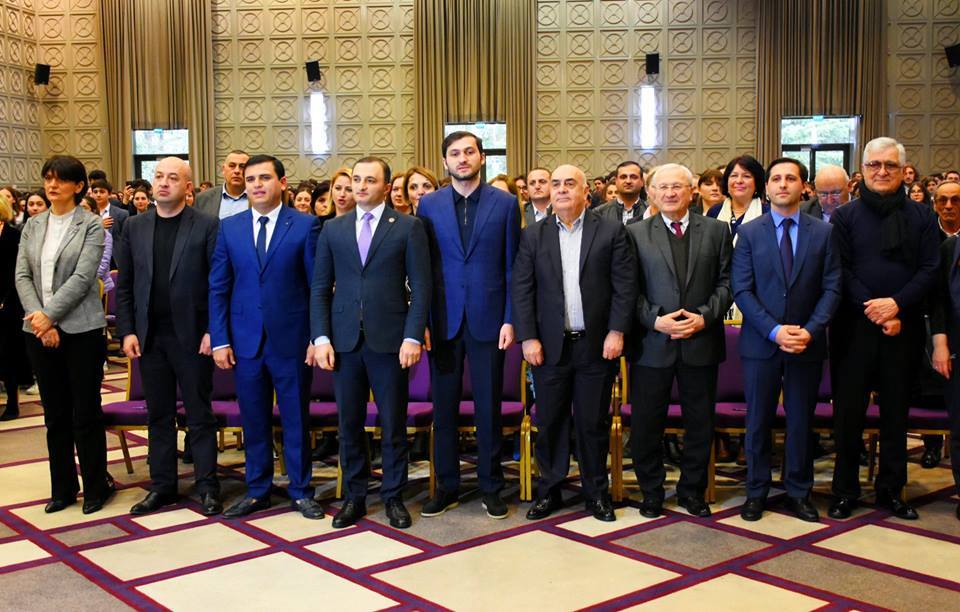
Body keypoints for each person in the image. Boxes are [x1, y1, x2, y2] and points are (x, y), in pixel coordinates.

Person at [310, 157, 431, 529]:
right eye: (356, 180)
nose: (360, 187)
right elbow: (319, 288)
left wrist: (412, 334)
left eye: (369, 180)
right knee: (349, 424)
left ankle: (394, 496)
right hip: (344, 341)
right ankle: (355, 496)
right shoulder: (333, 229)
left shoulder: (408, 227)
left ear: (386, 186)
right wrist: (321, 336)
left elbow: (421, 286)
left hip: (391, 340)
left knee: (393, 424)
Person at [512, 164, 636, 521]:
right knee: (550, 422)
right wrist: (528, 337)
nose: (562, 189)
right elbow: (522, 289)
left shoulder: (610, 231)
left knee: (592, 423)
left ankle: (596, 493)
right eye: (556, 184)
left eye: (570, 183)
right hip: (549, 346)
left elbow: (624, 286)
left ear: (586, 192)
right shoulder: (533, 236)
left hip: (596, 344)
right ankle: (549, 491)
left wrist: (617, 331)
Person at [829, 137, 940, 521]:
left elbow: (929, 269)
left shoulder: (922, 216)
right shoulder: (845, 216)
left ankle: (891, 491)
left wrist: (896, 305)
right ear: (863, 170)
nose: (881, 171)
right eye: (874, 165)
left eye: (890, 165)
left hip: (903, 329)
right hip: (853, 331)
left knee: (896, 415)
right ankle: (844, 491)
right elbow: (841, 270)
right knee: (848, 416)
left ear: (903, 171)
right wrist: (876, 309)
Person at [208, 154, 323, 519]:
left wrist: (316, 336)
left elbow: (316, 287)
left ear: (282, 183)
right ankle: (257, 489)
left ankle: (301, 490)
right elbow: (219, 287)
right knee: (253, 419)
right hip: (245, 341)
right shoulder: (230, 227)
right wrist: (220, 338)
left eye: (264, 178)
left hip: (292, 339)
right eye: (251, 179)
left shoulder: (305, 225)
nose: (256, 184)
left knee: (295, 418)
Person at [416, 131, 521, 519]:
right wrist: (423, 322)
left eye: (469, 152)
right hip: (443, 320)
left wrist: (510, 317)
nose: (462, 159)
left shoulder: (505, 204)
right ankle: (446, 486)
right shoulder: (429, 205)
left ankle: (491, 486)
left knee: (488, 409)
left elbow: (512, 267)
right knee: (443, 410)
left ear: (482, 157)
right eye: (455, 153)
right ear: (445, 161)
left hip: (489, 321)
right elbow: (423, 268)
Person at [732, 158, 841, 522]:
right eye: (776, 179)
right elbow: (742, 289)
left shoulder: (823, 233)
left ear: (803, 187)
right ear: (766, 188)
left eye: (790, 178)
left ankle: (798, 491)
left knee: (800, 422)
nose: (782, 184)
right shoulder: (750, 233)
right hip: (761, 343)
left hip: (807, 343)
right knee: (758, 421)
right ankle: (756, 491)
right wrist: (775, 331)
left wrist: (810, 329)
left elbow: (832, 287)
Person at [115, 157, 222, 516]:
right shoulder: (135, 225)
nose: (163, 183)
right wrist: (127, 330)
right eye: (159, 176)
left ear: (188, 187)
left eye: (172, 178)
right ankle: (162, 486)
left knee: (199, 415)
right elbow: (126, 284)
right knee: (158, 415)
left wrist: (213, 330)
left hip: (192, 336)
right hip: (150, 337)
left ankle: (208, 486)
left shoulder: (206, 225)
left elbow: (218, 284)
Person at [626, 163, 733, 518]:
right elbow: (628, 288)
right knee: (646, 425)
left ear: (692, 191)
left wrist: (705, 316)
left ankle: (692, 491)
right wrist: (655, 320)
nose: (670, 193)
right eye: (663, 187)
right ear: (651, 193)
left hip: (701, 341)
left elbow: (727, 281)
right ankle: (651, 492)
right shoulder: (635, 233)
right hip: (651, 343)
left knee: (700, 424)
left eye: (677, 186)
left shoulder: (716, 231)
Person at [15, 155, 113, 514]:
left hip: (81, 330)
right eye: (48, 179)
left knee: (85, 412)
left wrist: (50, 316)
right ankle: (63, 488)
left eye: (60, 179)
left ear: (78, 186)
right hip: (38, 330)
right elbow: (22, 275)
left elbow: (83, 278)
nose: (52, 185)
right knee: (55, 415)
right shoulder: (33, 225)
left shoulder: (91, 225)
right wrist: (40, 321)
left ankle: (96, 486)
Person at [929, 181, 960, 519]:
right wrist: (940, 342)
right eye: (943, 200)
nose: (949, 206)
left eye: (956, 200)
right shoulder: (947, 249)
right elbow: (939, 300)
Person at [0, 193, 25, 420]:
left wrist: (4, 300)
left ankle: (12, 403)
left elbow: (15, 272)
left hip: (8, 302)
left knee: (7, 355)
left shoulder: (12, 235)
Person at [706, 155, 769, 241]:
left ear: (757, 182)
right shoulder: (714, 212)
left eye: (746, 176)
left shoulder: (767, 213)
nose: (739, 181)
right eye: (734, 176)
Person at [194, 150, 250, 219]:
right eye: (232, 166)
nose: (237, 171)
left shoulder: (259, 198)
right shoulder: (202, 199)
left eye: (242, 166)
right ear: (223, 169)